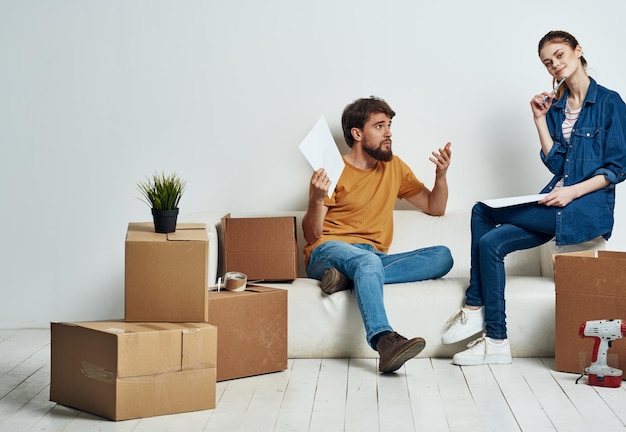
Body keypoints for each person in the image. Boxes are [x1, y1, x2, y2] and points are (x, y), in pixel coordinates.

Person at [442, 30, 626, 366]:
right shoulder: (555, 108)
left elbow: (618, 167)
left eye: (559, 55)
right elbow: (557, 162)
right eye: (547, 62)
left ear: (577, 51)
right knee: (491, 242)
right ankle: (497, 342)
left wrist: (571, 192)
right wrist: (539, 119)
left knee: (481, 211)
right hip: (556, 201)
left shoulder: (610, 102)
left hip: (585, 208)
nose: (555, 64)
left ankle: (473, 307)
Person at [302, 96, 454, 373]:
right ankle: (384, 340)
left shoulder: (394, 166)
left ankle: (347, 280)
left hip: (370, 257)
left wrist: (441, 176)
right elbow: (312, 236)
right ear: (357, 134)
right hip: (329, 251)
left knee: (443, 256)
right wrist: (316, 198)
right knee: (367, 263)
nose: (389, 133)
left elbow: (436, 207)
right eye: (380, 126)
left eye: (389, 125)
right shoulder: (332, 171)